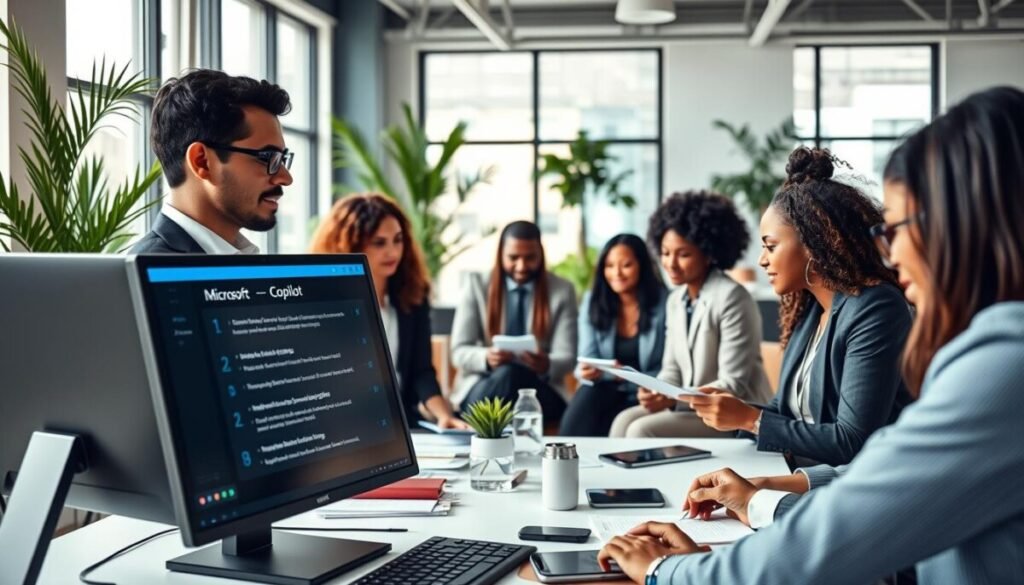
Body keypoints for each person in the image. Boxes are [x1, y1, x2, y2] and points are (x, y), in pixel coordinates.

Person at [596, 86, 1024, 585]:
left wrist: (672, 572)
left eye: (898, 226)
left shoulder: (1003, 364)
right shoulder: (988, 350)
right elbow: (873, 481)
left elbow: (848, 523)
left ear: (962, 225)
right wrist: (760, 495)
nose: (891, 251)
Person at [684, 148, 913, 466]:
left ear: (813, 243)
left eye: (771, 246)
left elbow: (853, 441)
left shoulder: (875, 309)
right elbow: (785, 412)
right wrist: (735, 411)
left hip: (850, 487)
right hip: (797, 471)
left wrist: (751, 419)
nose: (762, 260)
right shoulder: (810, 311)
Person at [610, 191, 772, 438]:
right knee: (623, 420)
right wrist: (657, 391)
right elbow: (671, 371)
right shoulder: (675, 300)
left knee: (640, 430)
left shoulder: (732, 297)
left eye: (683, 254)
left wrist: (673, 400)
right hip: (694, 408)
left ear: (708, 254)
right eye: (665, 253)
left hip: (735, 416)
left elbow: (732, 385)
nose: (671, 264)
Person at [309, 193, 467, 430]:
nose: (393, 251)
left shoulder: (413, 295)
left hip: (400, 423)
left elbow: (421, 371)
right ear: (349, 245)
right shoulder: (326, 303)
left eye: (398, 240)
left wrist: (443, 415)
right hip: (346, 424)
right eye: (379, 243)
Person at [131, 69, 294, 254]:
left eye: (282, 159)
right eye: (267, 157)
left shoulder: (241, 261)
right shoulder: (145, 273)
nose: (286, 178)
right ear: (201, 161)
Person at [450, 221, 577, 424]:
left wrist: (546, 363)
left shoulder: (561, 291)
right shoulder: (476, 285)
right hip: (485, 384)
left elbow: (568, 356)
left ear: (541, 255)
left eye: (530, 258)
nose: (521, 266)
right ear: (501, 255)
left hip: (541, 390)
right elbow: (458, 351)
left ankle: (494, 442)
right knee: (507, 375)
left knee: (514, 376)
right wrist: (486, 358)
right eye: (513, 258)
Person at [559, 234, 667, 436]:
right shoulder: (593, 301)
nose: (616, 273)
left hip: (647, 390)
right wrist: (586, 371)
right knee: (583, 405)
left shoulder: (664, 303)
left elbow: (668, 365)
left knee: (620, 425)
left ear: (642, 266)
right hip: (604, 387)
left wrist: (626, 376)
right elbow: (587, 359)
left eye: (626, 265)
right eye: (609, 266)